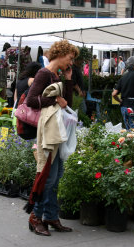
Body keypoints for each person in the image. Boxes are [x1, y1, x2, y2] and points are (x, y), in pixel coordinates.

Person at [26, 40, 78, 236]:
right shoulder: (43, 74)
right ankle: (36, 217)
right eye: (70, 58)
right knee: (47, 177)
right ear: (61, 54)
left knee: (56, 178)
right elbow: (32, 100)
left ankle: (50, 216)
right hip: (48, 131)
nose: (70, 63)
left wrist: (69, 80)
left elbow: (66, 105)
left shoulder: (56, 76)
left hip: (57, 130)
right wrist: (55, 98)